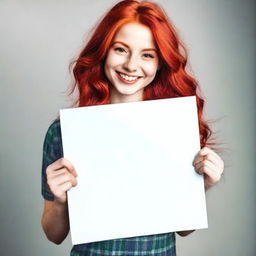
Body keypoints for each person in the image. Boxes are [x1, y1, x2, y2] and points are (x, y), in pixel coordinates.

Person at [41, 1, 224, 255]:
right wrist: (60, 200)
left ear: (160, 62)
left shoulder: (175, 129)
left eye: (147, 54)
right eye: (120, 49)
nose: (131, 65)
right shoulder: (65, 132)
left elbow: (183, 229)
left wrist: (202, 185)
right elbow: (54, 235)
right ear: (104, 51)